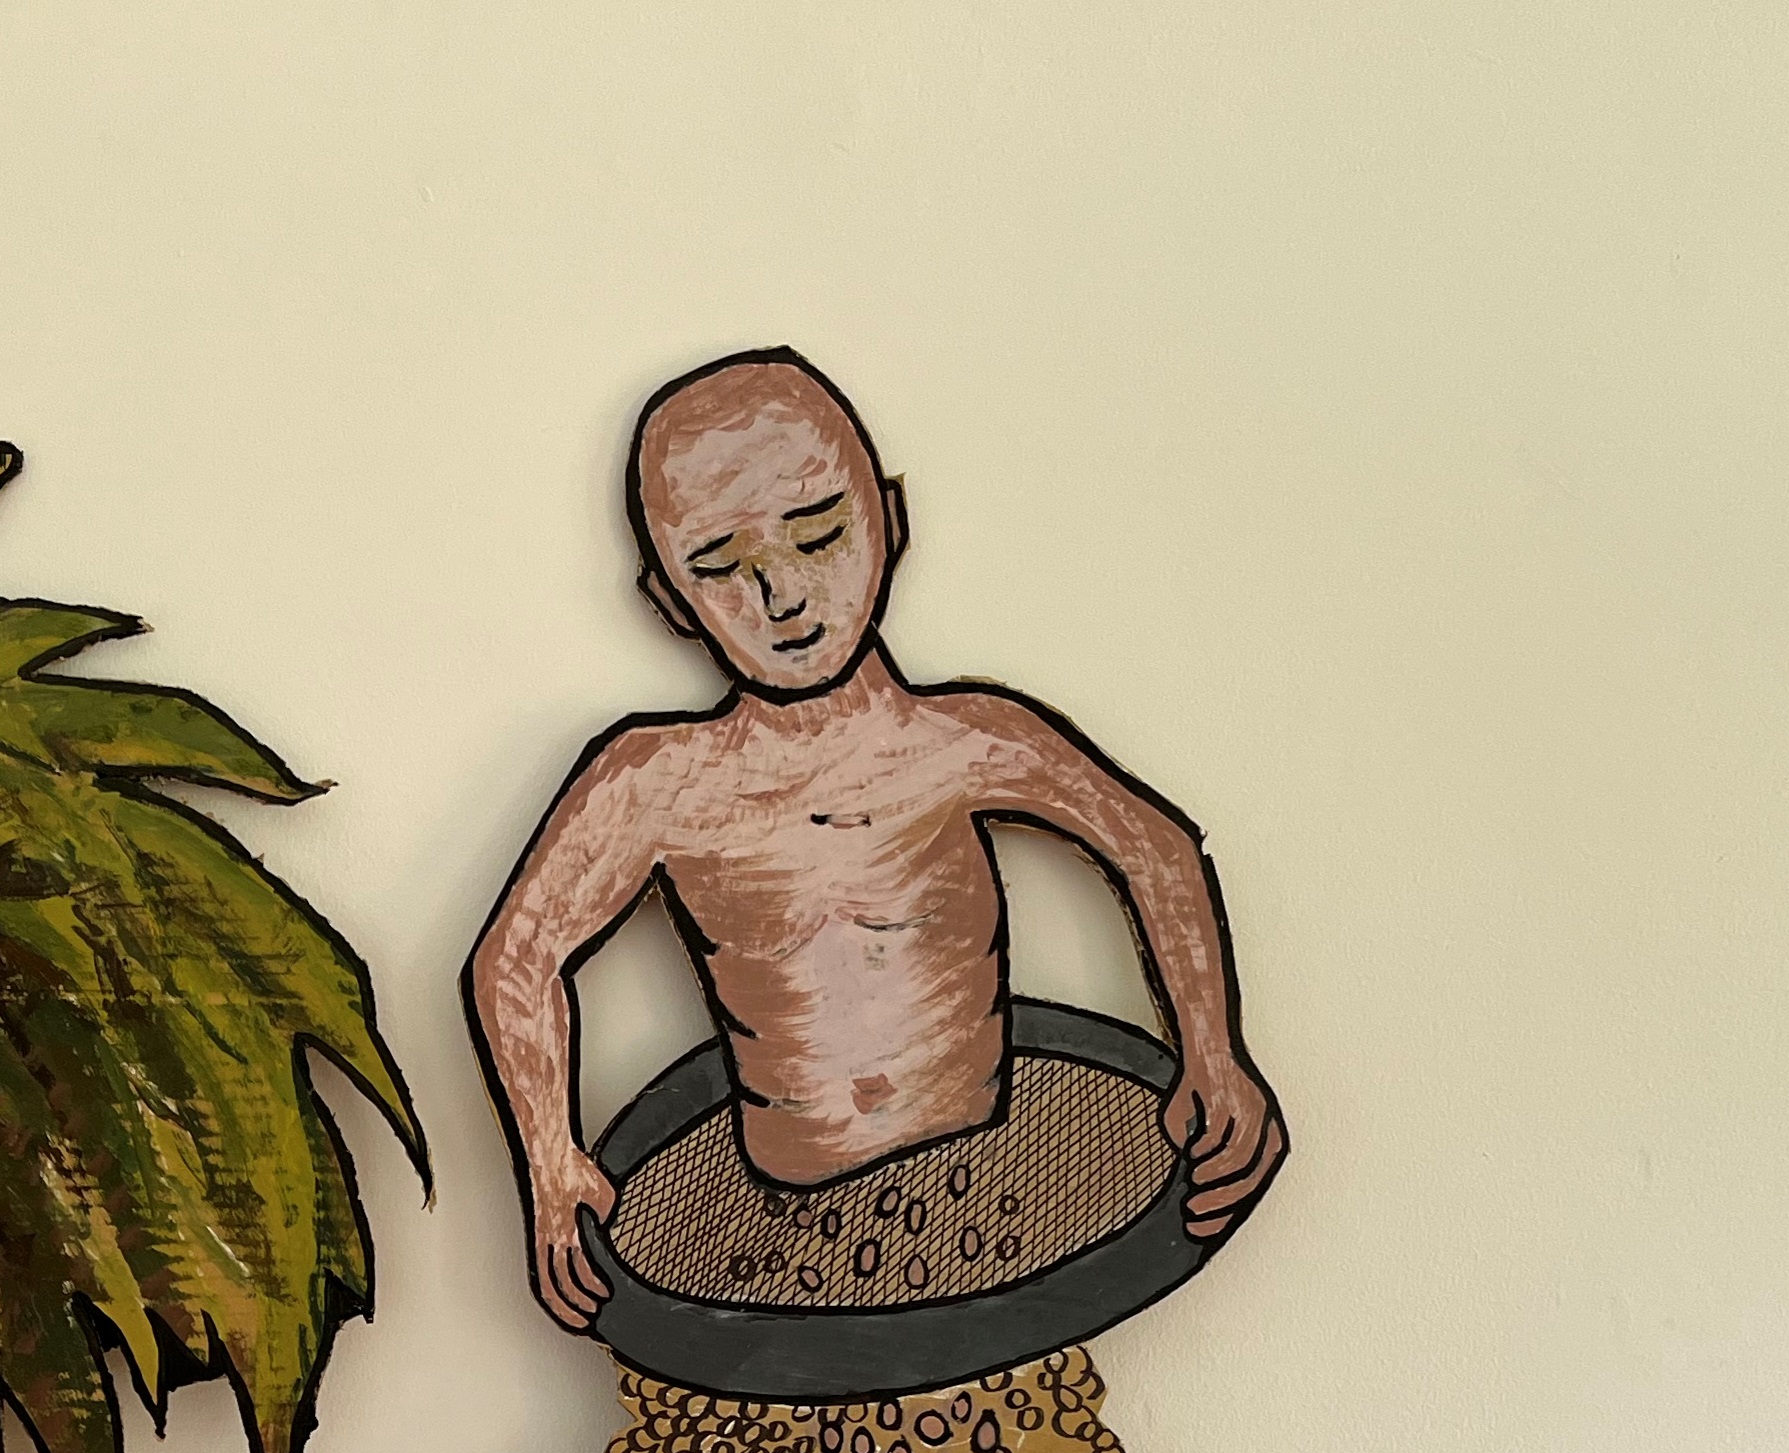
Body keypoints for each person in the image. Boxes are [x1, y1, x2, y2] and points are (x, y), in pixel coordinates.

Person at [466, 346, 1287, 1334]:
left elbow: (1152, 845)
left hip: (994, 1195)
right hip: (789, 1235)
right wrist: (551, 1159)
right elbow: (516, 959)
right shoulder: (657, 781)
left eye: (820, 536)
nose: (784, 597)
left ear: (888, 522)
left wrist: (1213, 1051)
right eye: (724, 568)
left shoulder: (966, 738)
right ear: (672, 602)